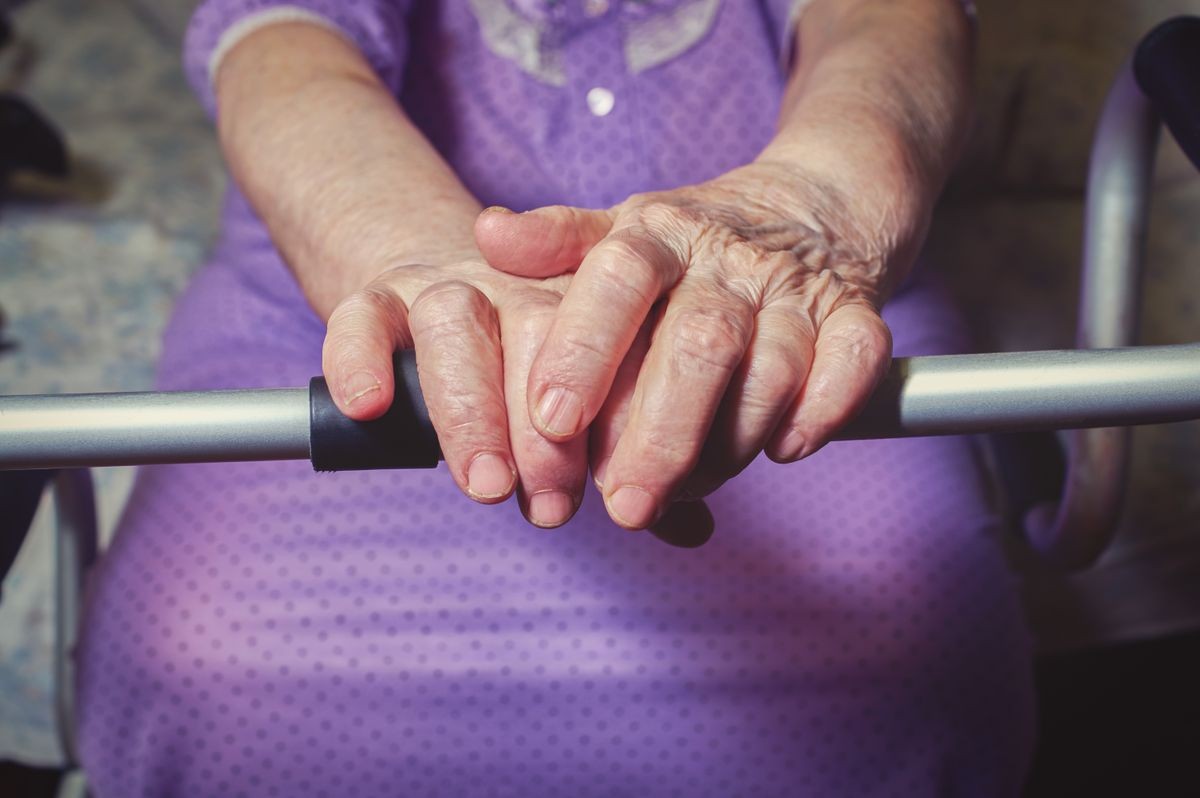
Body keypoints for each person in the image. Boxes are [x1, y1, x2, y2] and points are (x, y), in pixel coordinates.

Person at [76, 1, 1034, 794]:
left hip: (775, 304)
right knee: (207, 658)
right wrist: (421, 269)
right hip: (338, 295)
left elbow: (888, 22)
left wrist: (815, 202)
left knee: (910, 645)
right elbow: (284, 52)